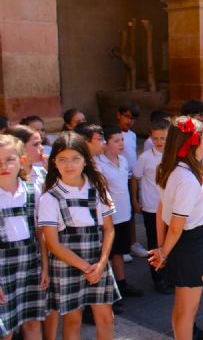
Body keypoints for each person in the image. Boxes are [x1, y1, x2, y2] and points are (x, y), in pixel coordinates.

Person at [39, 132, 120, 339]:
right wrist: (85, 267)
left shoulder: (97, 189)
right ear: (54, 162)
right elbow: (53, 243)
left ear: (85, 160)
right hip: (67, 263)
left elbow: (109, 229)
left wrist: (101, 264)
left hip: (97, 261)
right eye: (62, 159)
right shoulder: (50, 197)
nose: (69, 165)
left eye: (75, 158)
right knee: (73, 320)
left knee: (106, 317)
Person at [148, 116, 203, 340]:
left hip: (182, 242)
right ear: (193, 142)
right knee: (188, 310)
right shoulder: (186, 178)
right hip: (189, 243)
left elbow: (161, 211)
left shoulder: (168, 168)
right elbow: (176, 226)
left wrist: (161, 247)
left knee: (181, 307)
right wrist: (163, 253)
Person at [0, 135, 48, 340]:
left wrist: (45, 266)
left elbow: (40, 232)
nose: (4, 166)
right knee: (6, 328)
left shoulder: (32, 190)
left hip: (31, 264)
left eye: (10, 159)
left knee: (32, 321)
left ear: (22, 160)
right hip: (2, 269)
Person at [95, 125, 143, 298]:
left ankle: (122, 284)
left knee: (119, 252)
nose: (121, 144)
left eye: (122, 140)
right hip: (109, 217)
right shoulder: (98, 164)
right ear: (105, 144)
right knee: (108, 252)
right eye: (116, 141)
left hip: (124, 213)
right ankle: (107, 290)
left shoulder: (123, 161)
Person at [131, 117, 172, 295]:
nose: (159, 142)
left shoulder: (174, 155)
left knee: (169, 243)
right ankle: (158, 278)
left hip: (171, 207)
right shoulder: (145, 158)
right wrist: (135, 200)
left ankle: (170, 275)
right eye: (155, 138)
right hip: (151, 208)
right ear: (150, 138)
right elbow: (135, 177)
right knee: (155, 243)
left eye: (163, 138)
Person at [115, 103, 146, 260]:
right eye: (126, 116)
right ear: (118, 115)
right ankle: (123, 246)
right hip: (118, 177)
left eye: (132, 118)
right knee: (120, 213)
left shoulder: (132, 135)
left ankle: (133, 243)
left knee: (132, 211)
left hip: (131, 177)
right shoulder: (114, 135)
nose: (129, 121)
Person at [7, 125, 48, 189]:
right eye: (36, 144)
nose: (42, 148)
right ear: (20, 148)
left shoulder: (42, 172)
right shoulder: (6, 176)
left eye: (41, 143)